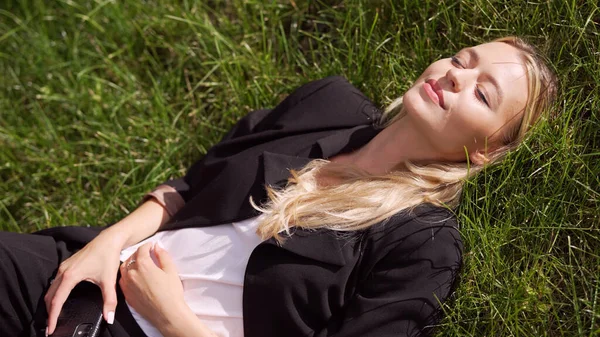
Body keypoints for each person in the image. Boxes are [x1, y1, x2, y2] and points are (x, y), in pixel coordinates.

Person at [0, 36, 557, 337]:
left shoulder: (424, 248)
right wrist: (107, 242)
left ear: (484, 151)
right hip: (86, 275)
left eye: (483, 94)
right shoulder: (328, 103)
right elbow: (191, 187)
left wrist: (173, 321)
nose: (457, 75)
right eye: (462, 59)